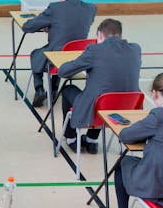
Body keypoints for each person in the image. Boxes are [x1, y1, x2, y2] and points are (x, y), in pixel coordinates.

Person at [112, 72, 163, 208]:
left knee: (123, 163)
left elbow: (126, 136)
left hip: (161, 185)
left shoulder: (159, 116)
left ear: (155, 93)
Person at [58, 18, 141, 154]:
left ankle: (71, 138)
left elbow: (63, 72)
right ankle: (92, 140)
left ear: (100, 34)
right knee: (105, 92)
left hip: (98, 111)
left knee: (68, 90)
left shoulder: (94, 50)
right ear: (120, 35)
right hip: (126, 110)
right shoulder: (135, 49)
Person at [22, 0, 96, 107]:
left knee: (36, 54)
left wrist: (49, 25)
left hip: (56, 57)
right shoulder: (91, 9)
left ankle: (39, 89)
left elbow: (29, 27)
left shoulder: (55, 8)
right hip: (77, 58)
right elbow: (74, 25)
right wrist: (54, 27)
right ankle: (54, 89)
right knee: (61, 49)